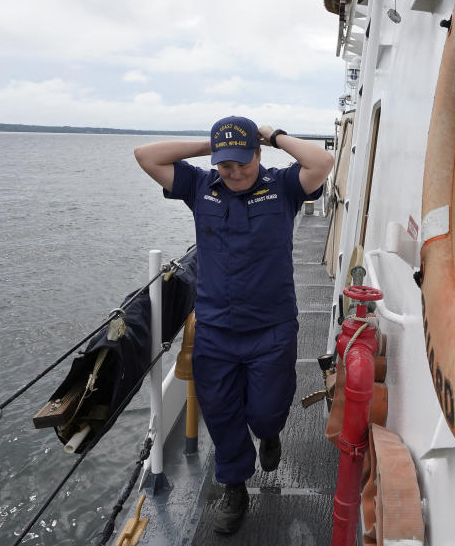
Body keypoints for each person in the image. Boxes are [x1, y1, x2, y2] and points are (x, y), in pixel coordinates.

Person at [134, 116, 334, 534]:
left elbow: (322, 161)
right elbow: (145, 156)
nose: (235, 172)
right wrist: (212, 149)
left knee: (265, 410)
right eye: (226, 165)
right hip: (215, 330)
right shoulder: (199, 187)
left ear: (258, 155)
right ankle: (235, 486)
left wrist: (275, 136)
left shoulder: (283, 187)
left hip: (271, 327)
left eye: (243, 162)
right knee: (222, 414)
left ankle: (270, 433)